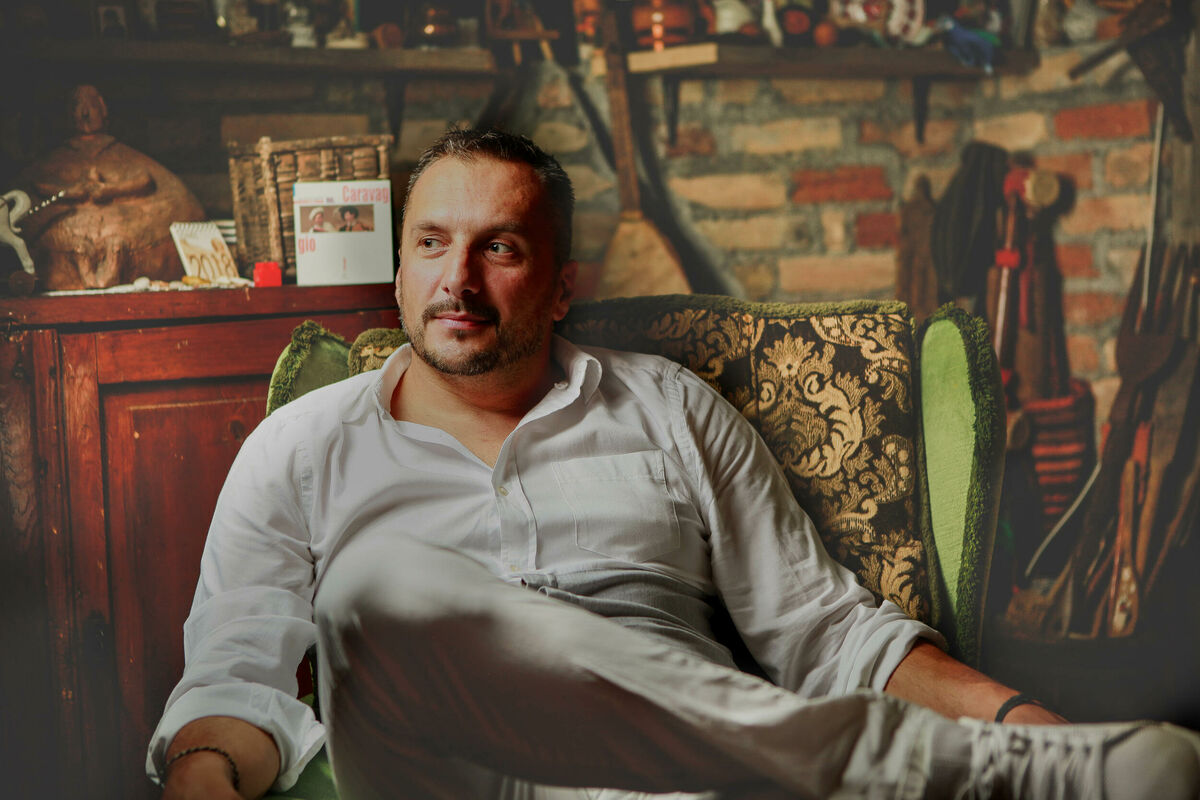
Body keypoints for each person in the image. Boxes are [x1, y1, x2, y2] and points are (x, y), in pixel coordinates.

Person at [149, 128, 1200, 800]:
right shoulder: (301, 445)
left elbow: (825, 628)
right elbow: (233, 676)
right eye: (431, 243)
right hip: (443, 773)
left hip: (673, 776)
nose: (456, 279)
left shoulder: (670, 408)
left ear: (562, 285)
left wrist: (1024, 720)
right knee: (376, 587)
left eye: (499, 248)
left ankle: (1022, 769)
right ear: (399, 270)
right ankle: (926, 770)